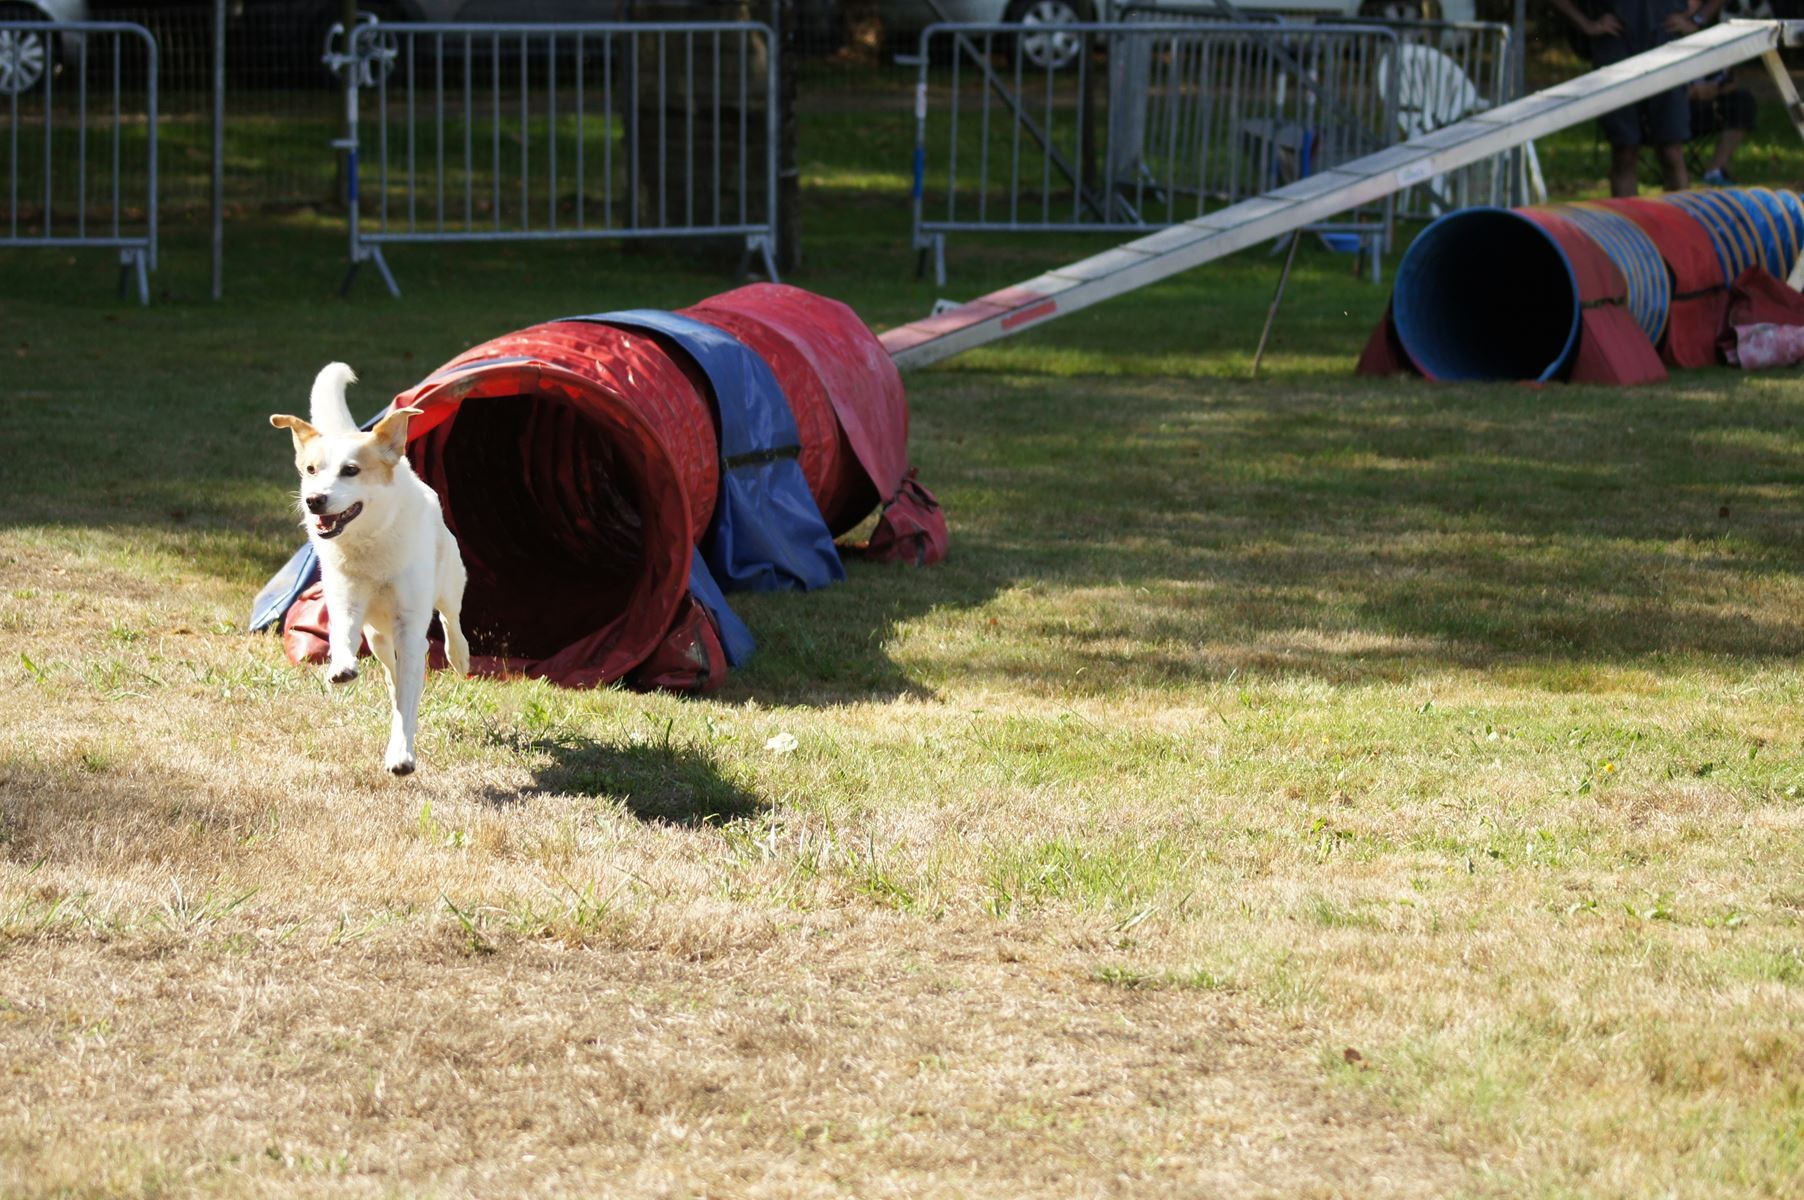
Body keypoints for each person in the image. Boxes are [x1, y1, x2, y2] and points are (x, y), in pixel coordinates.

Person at [1549, 0, 1698, 196]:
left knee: (1671, 149)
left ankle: (1680, 221)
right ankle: (1627, 222)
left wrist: (1696, 20)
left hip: (1665, 45)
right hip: (1616, 46)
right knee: (1624, 150)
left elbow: (1697, 4)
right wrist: (1587, 24)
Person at [1690, 69, 1757, 185]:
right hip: (1675, 107)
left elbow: (1732, 79)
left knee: (1743, 101)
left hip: (1711, 103)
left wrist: (1721, 89)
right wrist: (1692, 92)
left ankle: (1715, 171)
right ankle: (1675, 177)